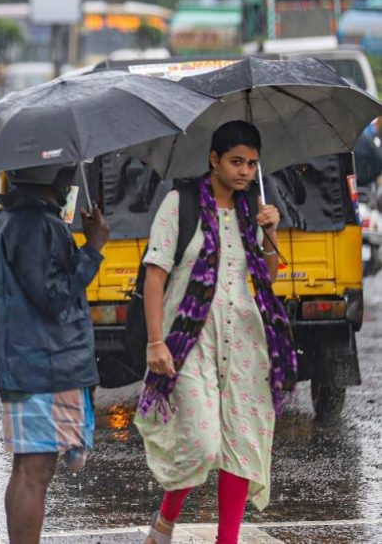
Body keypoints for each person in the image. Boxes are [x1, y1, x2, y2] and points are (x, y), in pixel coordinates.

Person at [136, 121, 296, 544]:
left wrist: (270, 233)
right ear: (214, 160)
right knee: (203, 442)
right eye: (236, 161)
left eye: (251, 163)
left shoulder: (251, 210)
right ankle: (165, 521)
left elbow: (268, 276)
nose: (244, 171)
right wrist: (156, 341)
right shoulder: (180, 203)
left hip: (244, 337)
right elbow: (155, 276)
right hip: (189, 341)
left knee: (241, 443)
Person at [0, 162, 109, 544]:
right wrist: (93, 249)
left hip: (23, 361)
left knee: (26, 468)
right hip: (46, 364)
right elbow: (54, 296)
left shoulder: (1, 222)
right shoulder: (39, 225)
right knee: (35, 471)